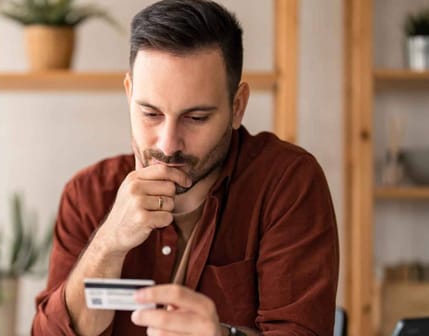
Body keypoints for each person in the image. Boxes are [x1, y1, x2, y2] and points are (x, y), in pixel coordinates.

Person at [31, 1, 339, 335]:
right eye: (151, 113)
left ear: (237, 107)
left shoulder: (286, 183)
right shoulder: (87, 194)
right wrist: (107, 243)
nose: (167, 144)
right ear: (129, 94)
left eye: (196, 118)